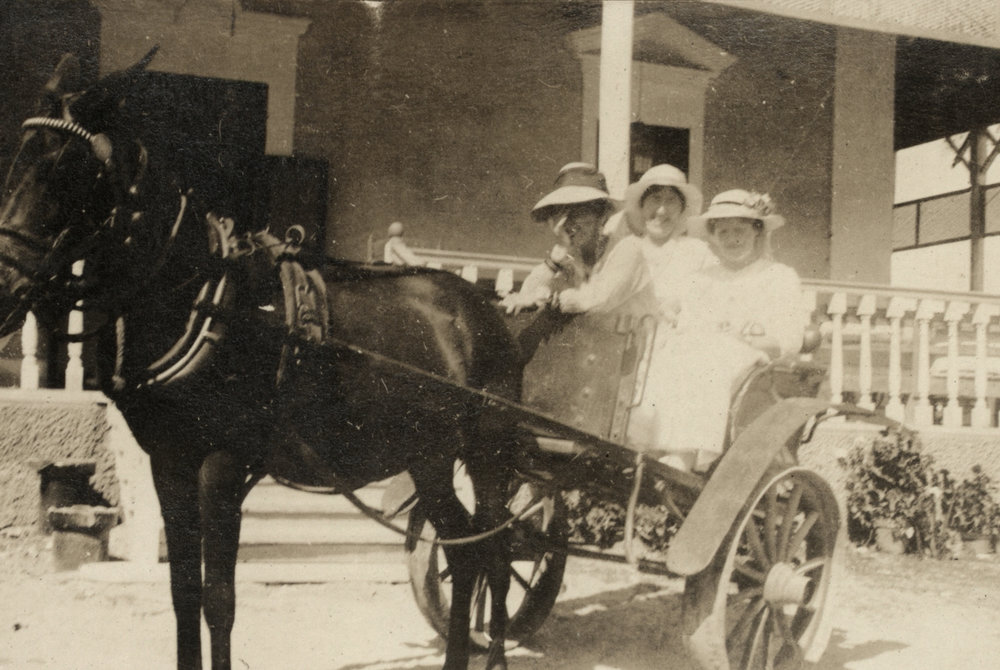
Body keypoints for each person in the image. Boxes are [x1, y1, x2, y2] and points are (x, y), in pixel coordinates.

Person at [627, 189, 804, 472]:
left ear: (757, 232)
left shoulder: (778, 277)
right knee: (660, 354)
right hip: (696, 352)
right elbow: (683, 325)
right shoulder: (700, 279)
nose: (732, 239)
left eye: (740, 231)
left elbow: (788, 340)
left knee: (709, 356)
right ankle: (646, 444)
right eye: (723, 231)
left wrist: (741, 337)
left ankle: (686, 454)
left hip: (751, 366)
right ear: (712, 235)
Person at [556, 163, 715, 319]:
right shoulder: (621, 248)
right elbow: (595, 295)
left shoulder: (699, 252)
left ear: (682, 208)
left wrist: (680, 304)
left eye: (671, 200)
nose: (661, 211)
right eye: (655, 199)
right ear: (642, 205)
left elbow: (710, 302)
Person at [500, 163, 616, 314]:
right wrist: (555, 260)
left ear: (603, 215)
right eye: (561, 212)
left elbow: (598, 301)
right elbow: (524, 298)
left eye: (579, 210)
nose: (568, 222)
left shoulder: (621, 250)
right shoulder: (564, 261)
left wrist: (545, 299)